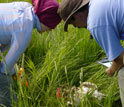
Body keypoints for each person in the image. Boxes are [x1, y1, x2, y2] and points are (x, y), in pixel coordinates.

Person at [57, 0, 124, 106]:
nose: (75, 27)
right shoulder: (97, 3)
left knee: (122, 71)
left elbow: (120, 59)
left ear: (77, 15)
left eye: (71, 22)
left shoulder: (95, 23)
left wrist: (110, 71)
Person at [0, 0, 61, 106]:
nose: (51, 30)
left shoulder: (25, 7)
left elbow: (5, 31)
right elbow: (5, 68)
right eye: (52, 26)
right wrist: (15, 76)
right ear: (46, 20)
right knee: (5, 82)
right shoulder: (25, 31)